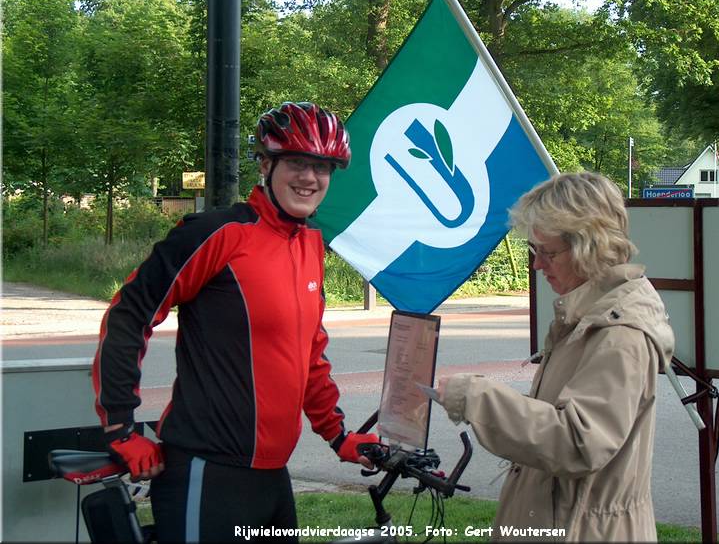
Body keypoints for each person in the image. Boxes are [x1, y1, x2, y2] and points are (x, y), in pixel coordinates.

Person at [92, 102, 378, 543]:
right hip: (206, 470)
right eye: (297, 163)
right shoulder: (218, 232)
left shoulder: (310, 245)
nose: (310, 177)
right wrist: (121, 427)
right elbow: (128, 315)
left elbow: (309, 356)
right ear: (266, 164)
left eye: (322, 166)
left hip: (271, 476)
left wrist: (338, 435)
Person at [436, 172, 674, 542]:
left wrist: (476, 398)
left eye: (547, 253)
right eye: (534, 252)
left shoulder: (619, 333)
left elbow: (579, 441)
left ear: (589, 246)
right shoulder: (587, 315)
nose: (537, 265)